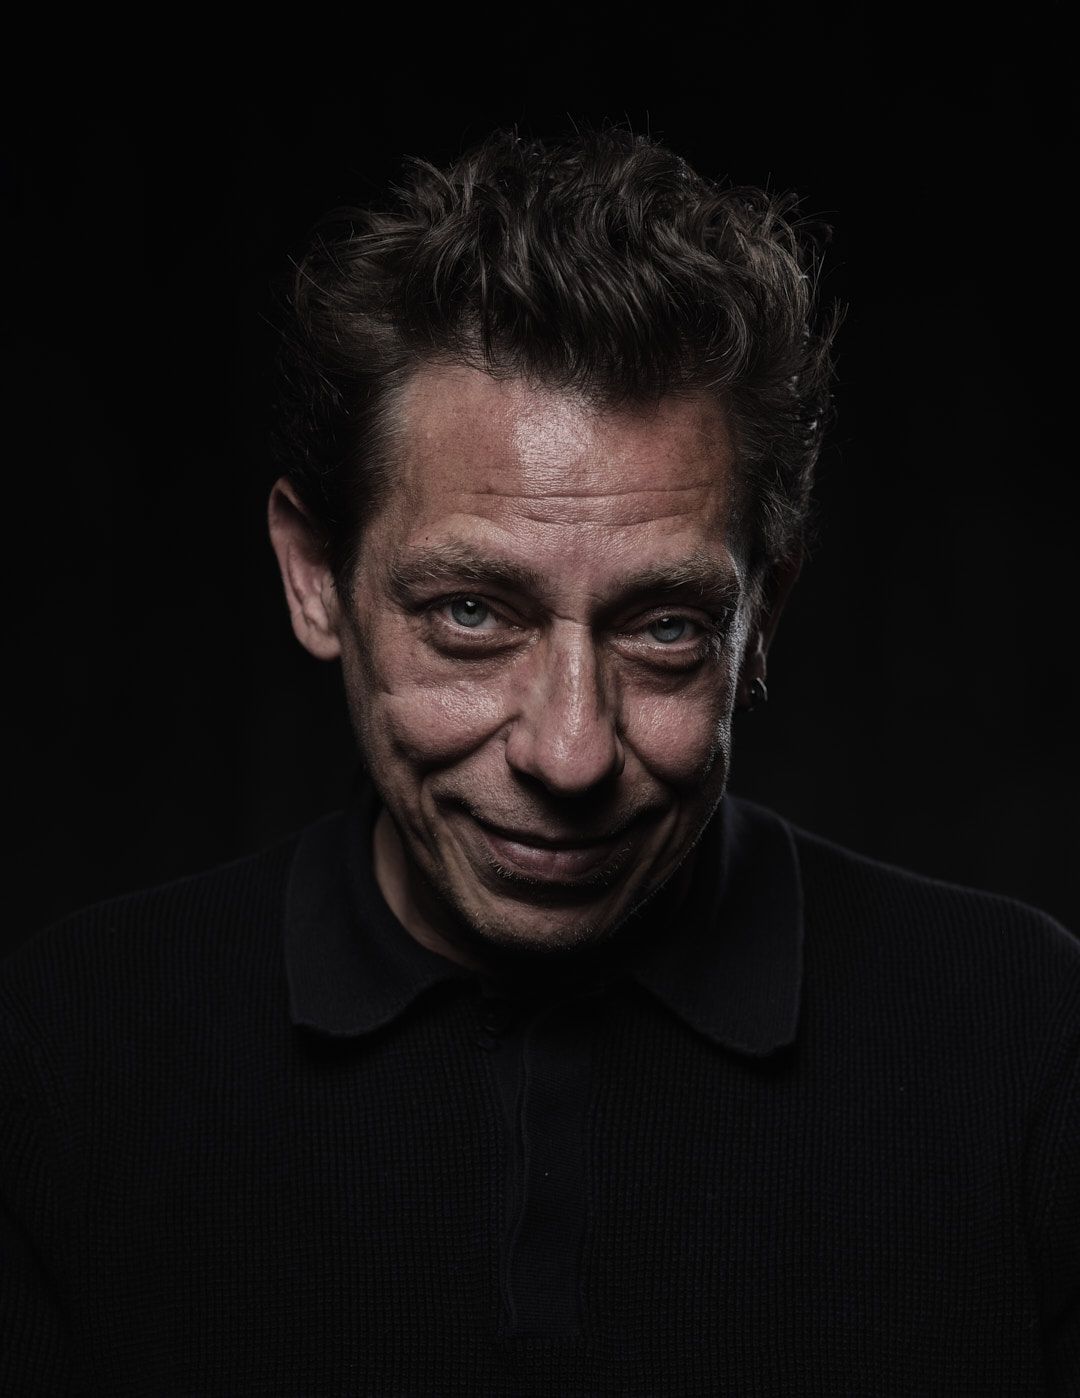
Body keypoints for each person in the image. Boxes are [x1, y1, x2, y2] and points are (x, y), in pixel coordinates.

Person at [2, 127, 1076, 1395]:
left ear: (762, 620)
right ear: (316, 579)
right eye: (471, 613)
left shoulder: (1026, 1038)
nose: (570, 754)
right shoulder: (72, 1051)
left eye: (664, 627)